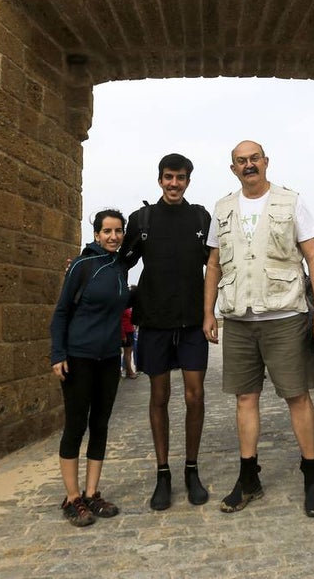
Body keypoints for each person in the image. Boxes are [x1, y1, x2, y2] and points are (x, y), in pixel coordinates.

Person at [202, 140, 314, 517]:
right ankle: (249, 478)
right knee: (245, 399)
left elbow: (313, 256)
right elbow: (214, 264)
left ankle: (312, 477)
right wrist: (208, 313)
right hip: (240, 320)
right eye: (241, 161)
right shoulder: (223, 208)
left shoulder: (291, 202)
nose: (248, 165)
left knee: (297, 396)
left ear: (266, 162)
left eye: (254, 159)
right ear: (233, 169)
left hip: (284, 316)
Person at [119, 153, 213, 510]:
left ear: (188, 181)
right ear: (160, 179)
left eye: (181, 178)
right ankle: (163, 473)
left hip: (191, 321)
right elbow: (121, 260)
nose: (175, 184)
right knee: (159, 397)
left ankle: (191, 469)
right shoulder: (141, 219)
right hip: (154, 321)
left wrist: (213, 312)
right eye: (169, 177)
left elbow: (218, 263)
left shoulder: (201, 218)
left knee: (195, 397)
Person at [49, 209, 130, 528]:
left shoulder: (121, 265)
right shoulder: (82, 266)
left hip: (108, 358)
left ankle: (92, 492)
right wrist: (58, 354)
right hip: (79, 357)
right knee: (75, 426)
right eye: (107, 231)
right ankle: (72, 498)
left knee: (101, 424)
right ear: (96, 234)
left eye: (118, 231)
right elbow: (61, 312)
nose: (113, 236)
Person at [120, 288, 137, 379]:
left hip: (129, 330)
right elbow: (120, 321)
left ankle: (128, 371)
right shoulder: (122, 306)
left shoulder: (126, 305)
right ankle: (129, 371)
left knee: (128, 352)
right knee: (127, 353)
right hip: (125, 331)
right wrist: (123, 334)